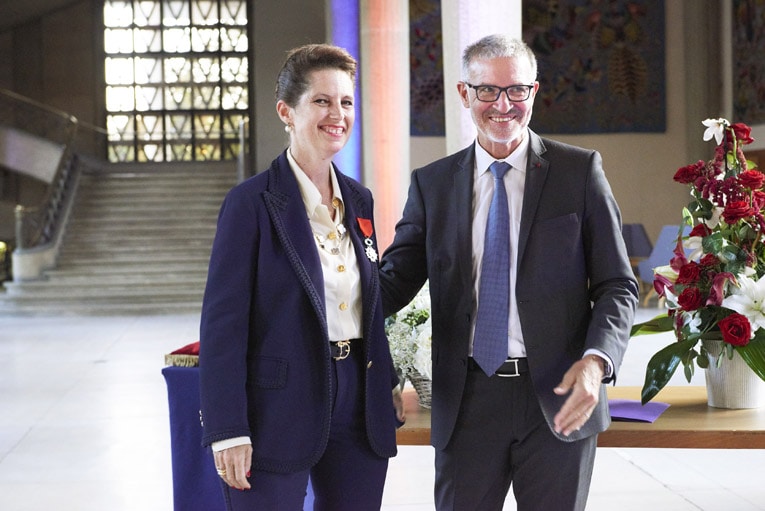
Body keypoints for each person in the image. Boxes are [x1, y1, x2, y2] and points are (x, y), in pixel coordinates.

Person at [379, 34, 638, 510]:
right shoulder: (432, 185)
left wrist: (597, 361)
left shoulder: (579, 173)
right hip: (467, 401)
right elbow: (391, 284)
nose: (503, 104)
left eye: (516, 90)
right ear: (464, 94)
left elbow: (617, 285)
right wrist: (321, 285)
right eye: (487, 91)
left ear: (534, 93)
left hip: (559, 398)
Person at [199, 43, 405, 511]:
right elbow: (222, 326)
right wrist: (227, 427)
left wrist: (386, 381)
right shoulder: (250, 204)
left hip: (358, 403)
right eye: (322, 101)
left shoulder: (359, 200)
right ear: (286, 112)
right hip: (276, 406)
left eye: (346, 102)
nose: (338, 114)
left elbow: (364, 300)